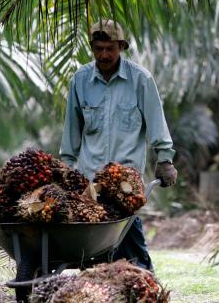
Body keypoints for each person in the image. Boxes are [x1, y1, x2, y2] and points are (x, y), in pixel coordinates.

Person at [59, 19, 177, 271]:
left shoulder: (140, 80)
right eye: (98, 48)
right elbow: (71, 133)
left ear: (121, 46)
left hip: (126, 182)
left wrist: (165, 159)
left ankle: (144, 283)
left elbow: (157, 122)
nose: (104, 54)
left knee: (129, 240)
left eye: (109, 48)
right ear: (92, 48)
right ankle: (103, 288)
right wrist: (65, 169)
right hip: (90, 183)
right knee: (94, 250)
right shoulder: (80, 80)